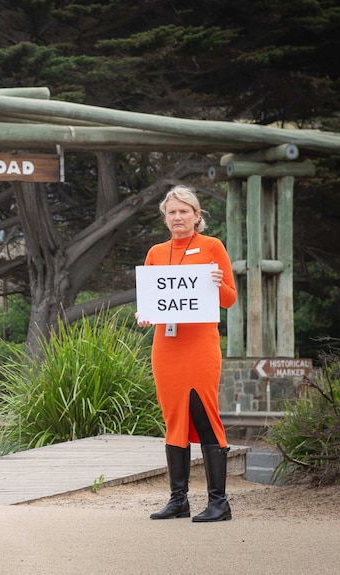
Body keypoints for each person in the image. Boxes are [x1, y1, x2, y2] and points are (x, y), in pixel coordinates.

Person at [136, 185, 237, 523]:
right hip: (166, 346)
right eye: (172, 212)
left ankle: (219, 503)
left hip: (200, 346)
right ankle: (178, 500)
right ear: (165, 218)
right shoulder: (155, 252)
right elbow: (151, 304)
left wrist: (217, 281)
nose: (177, 217)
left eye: (184, 211)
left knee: (204, 414)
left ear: (197, 216)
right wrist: (144, 314)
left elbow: (229, 299)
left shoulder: (212, 247)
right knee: (174, 418)